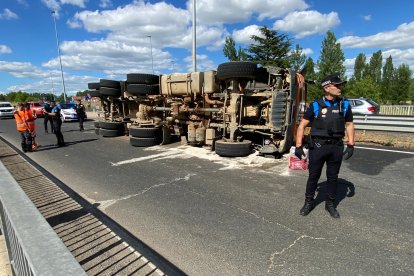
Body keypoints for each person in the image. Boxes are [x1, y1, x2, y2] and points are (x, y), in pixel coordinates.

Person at [295, 73, 355, 218]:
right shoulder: (315, 105)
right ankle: (308, 202)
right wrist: (298, 146)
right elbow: (302, 125)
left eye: (341, 85)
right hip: (318, 147)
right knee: (313, 176)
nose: (341, 87)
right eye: (338, 85)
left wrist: (351, 144)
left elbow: (349, 124)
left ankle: (330, 204)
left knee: (333, 177)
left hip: (336, 147)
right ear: (327, 88)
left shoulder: (344, 104)